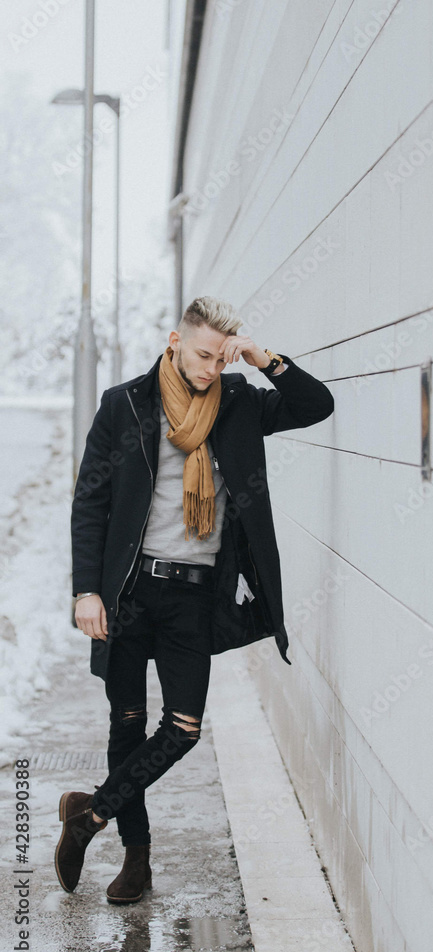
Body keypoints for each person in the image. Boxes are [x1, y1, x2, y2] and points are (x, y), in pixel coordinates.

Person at [55, 296, 334, 903]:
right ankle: (138, 859)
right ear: (175, 340)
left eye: (220, 356)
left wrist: (262, 358)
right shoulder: (125, 404)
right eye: (201, 354)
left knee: (181, 730)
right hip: (129, 590)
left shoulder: (238, 402)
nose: (210, 368)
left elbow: (317, 405)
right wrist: (86, 590)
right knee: (126, 723)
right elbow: (90, 504)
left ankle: (89, 816)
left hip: (194, 594)